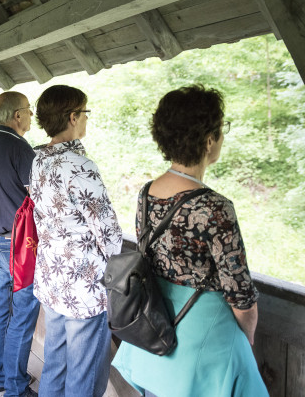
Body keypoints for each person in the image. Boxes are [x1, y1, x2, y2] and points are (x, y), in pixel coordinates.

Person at [112, 85, 267, 396]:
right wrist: (247, 336)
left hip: (154, 327)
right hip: (203, 340)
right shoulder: (214, 206)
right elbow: (240, 295)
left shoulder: (147, 193)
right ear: (208, 139)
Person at [31, 85, 122, 397]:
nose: (86, 119)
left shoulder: (38, 160)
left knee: (56, 361)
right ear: (72, 117)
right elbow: (108, 233)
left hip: (52, 276)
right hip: (84, 284)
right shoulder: (80, 166)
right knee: (85, 371)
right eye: (85, 113)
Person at [0, 92, 39, 397]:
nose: (31, 116)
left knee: (1, 308)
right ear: (17, 116)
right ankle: (16, 387)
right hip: (20, 245)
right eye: (28, 111)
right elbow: (39, 199)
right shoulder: (19, 147)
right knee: (23, 312)